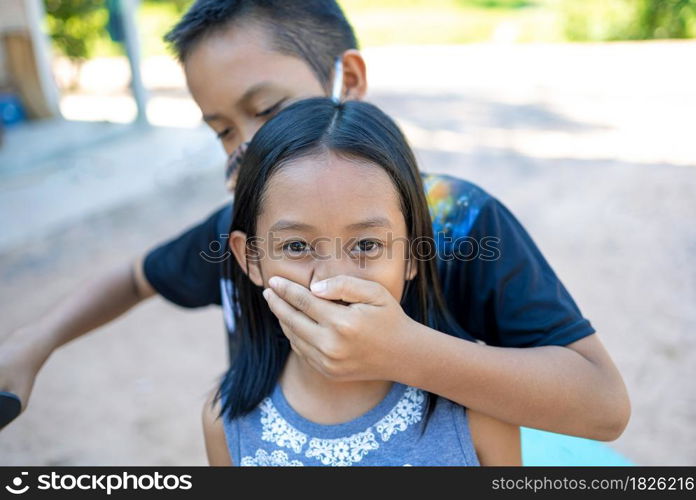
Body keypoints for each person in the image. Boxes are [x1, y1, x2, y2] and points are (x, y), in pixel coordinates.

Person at [0, 0, 629, 442]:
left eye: (267, 109)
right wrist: (34, 342)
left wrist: (407, 351)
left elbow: (602, 405)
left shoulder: (457, 221)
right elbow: (137, 277)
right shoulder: (238, 232)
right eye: (222, 130)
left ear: (347, 80)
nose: (245, 146)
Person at [202, 97, 521, 466]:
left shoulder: (481, 409)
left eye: (367, 244)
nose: (334, 280)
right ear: (251, 259)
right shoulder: (225, 421)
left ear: (415, 253)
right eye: (297, 246)